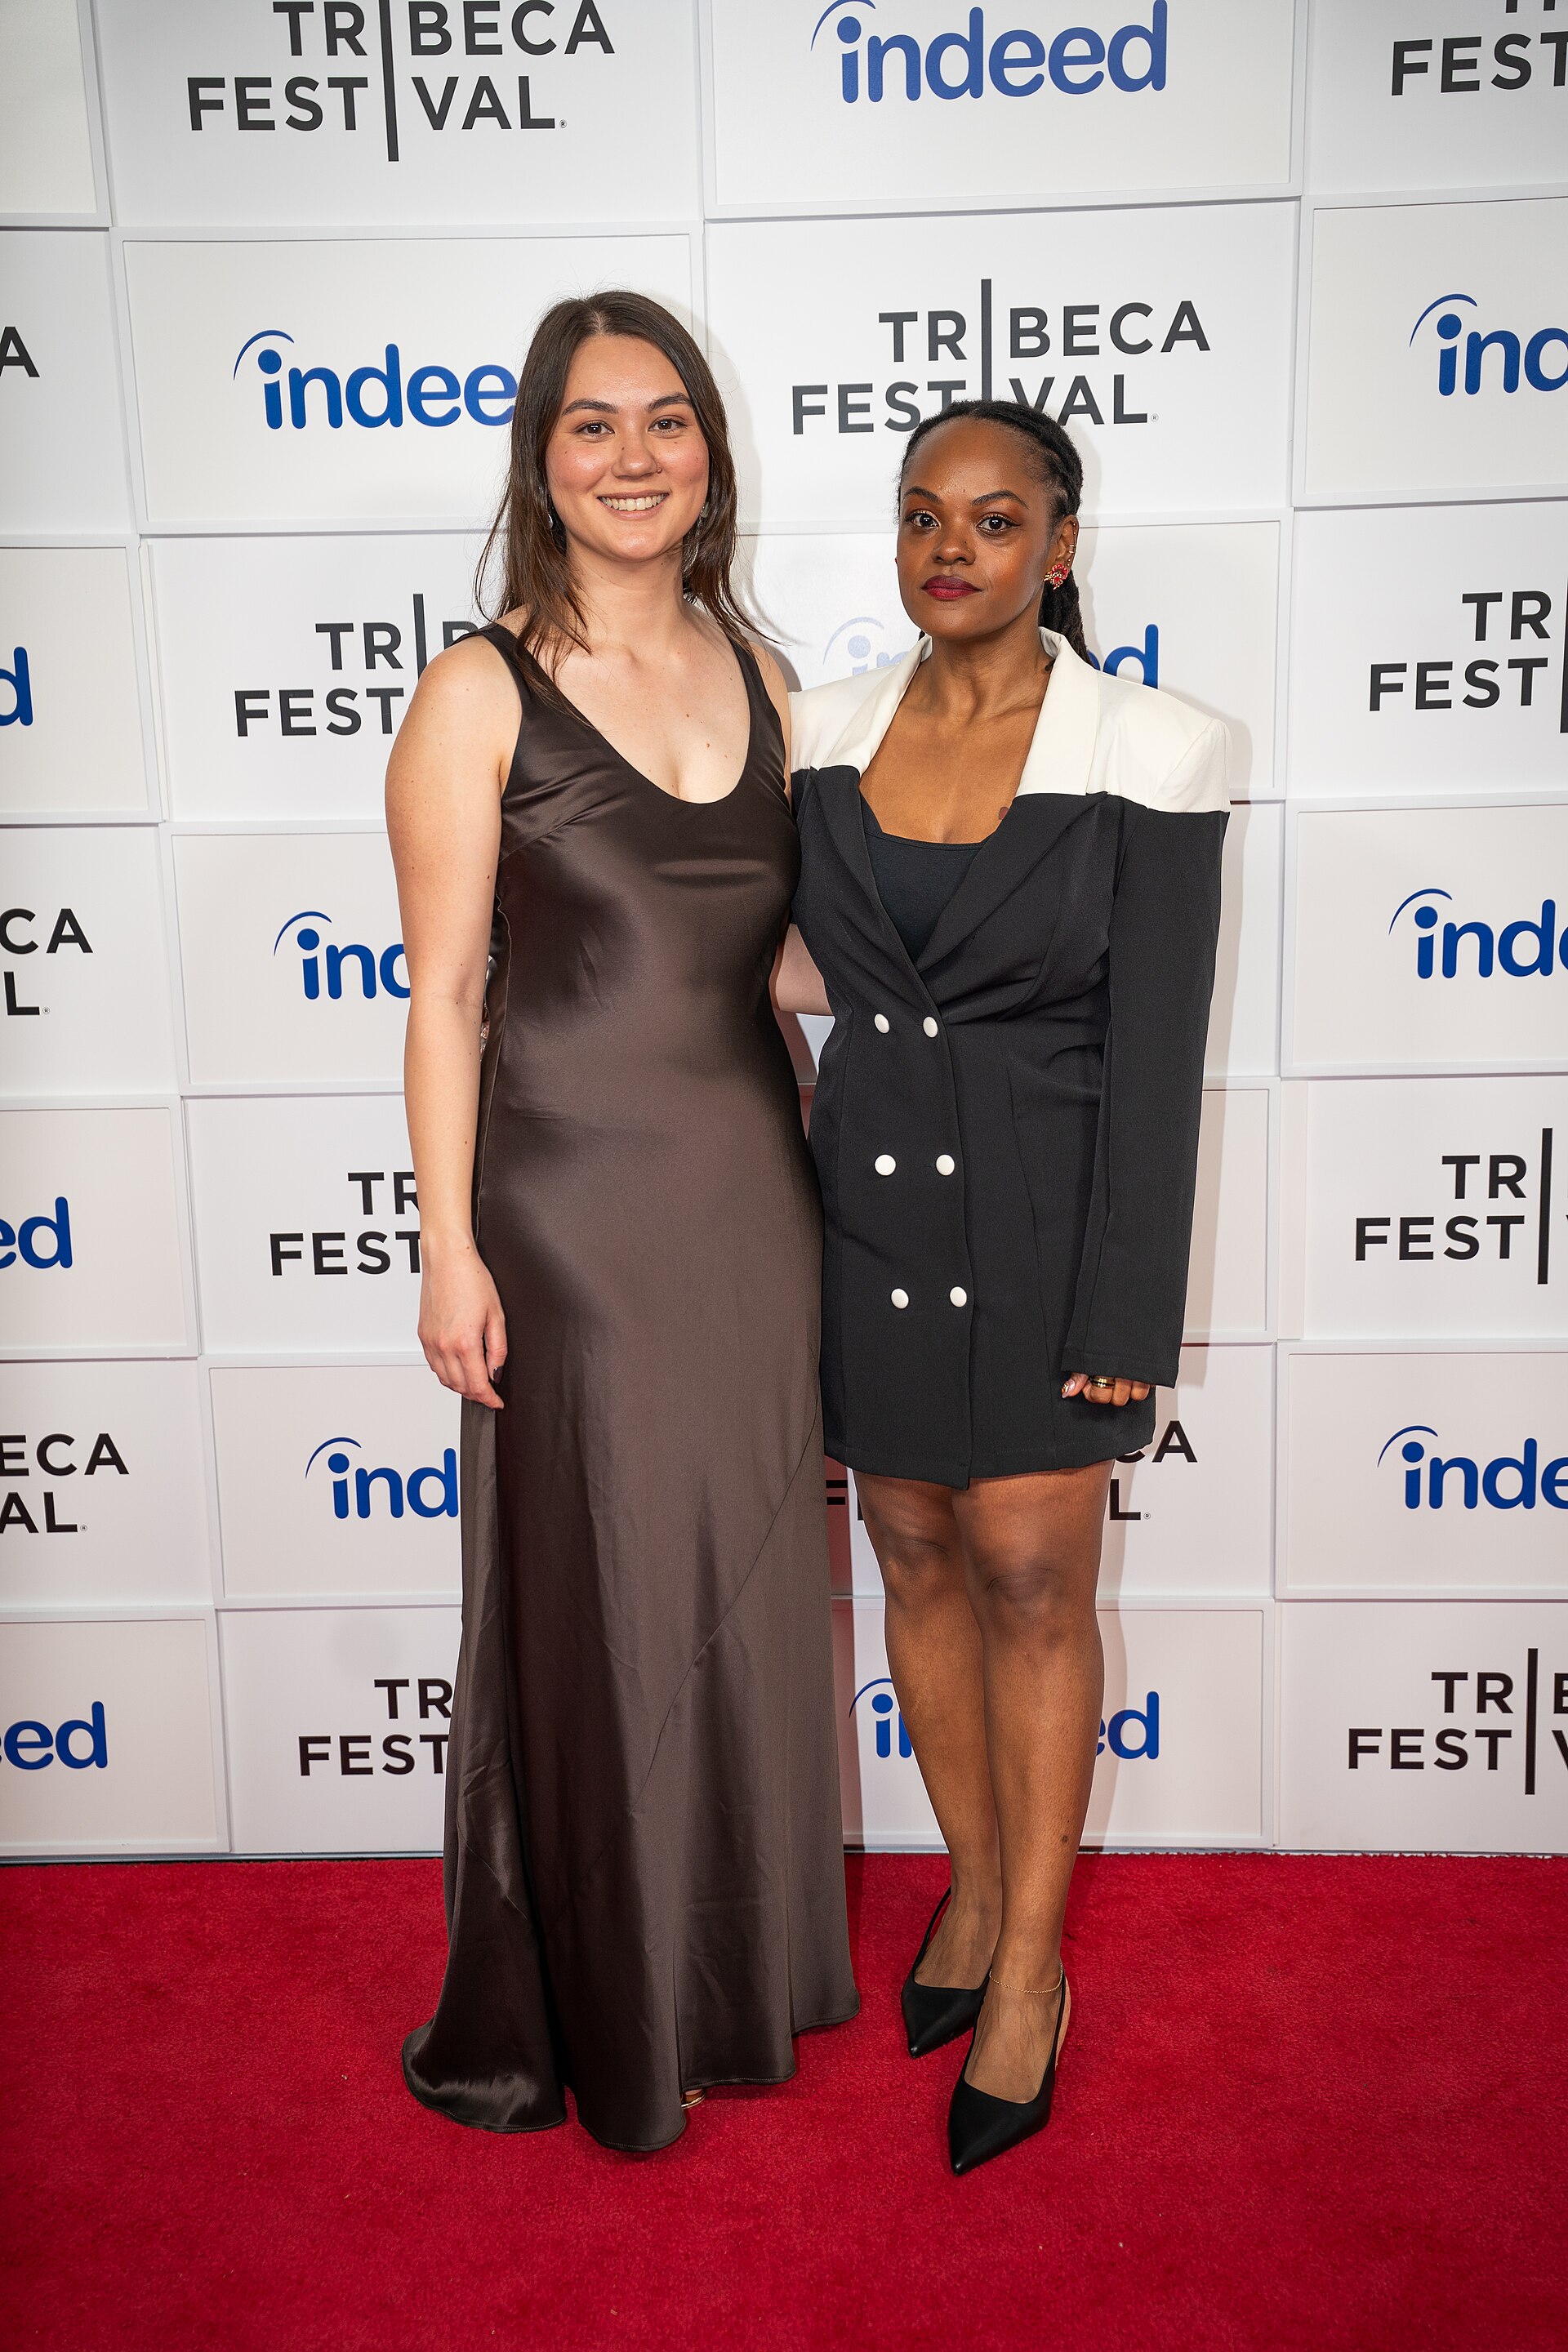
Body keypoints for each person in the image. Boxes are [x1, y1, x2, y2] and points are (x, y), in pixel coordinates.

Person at [389, 291, 857, 2154]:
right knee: (596, 1603)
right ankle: (602, 1998)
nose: (637, 457)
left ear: (711, 452)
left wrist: (992, 963)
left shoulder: (756, 667)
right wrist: (446, 1247)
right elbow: (442, 995)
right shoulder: (478, 686)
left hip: (754, 1194)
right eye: (595, 426)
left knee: (744, 1588)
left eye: (668, 421)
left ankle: (731, 1973)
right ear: (542, 458)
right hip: (567, 1209)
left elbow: (776, 957)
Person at [778, 400, 1227, 2175]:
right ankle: (971, 1890)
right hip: (870, 1219)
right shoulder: (819, 734)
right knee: (909, 1554)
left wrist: (1126, 1317)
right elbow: (780, 963)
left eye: (992, 517)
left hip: (1052, 1227)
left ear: (1062, 546)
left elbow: (1161, 1050)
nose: (947, 546)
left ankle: (1029, 1975)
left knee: (1036, 1575)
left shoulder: (1155, 749)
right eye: (917, 515)